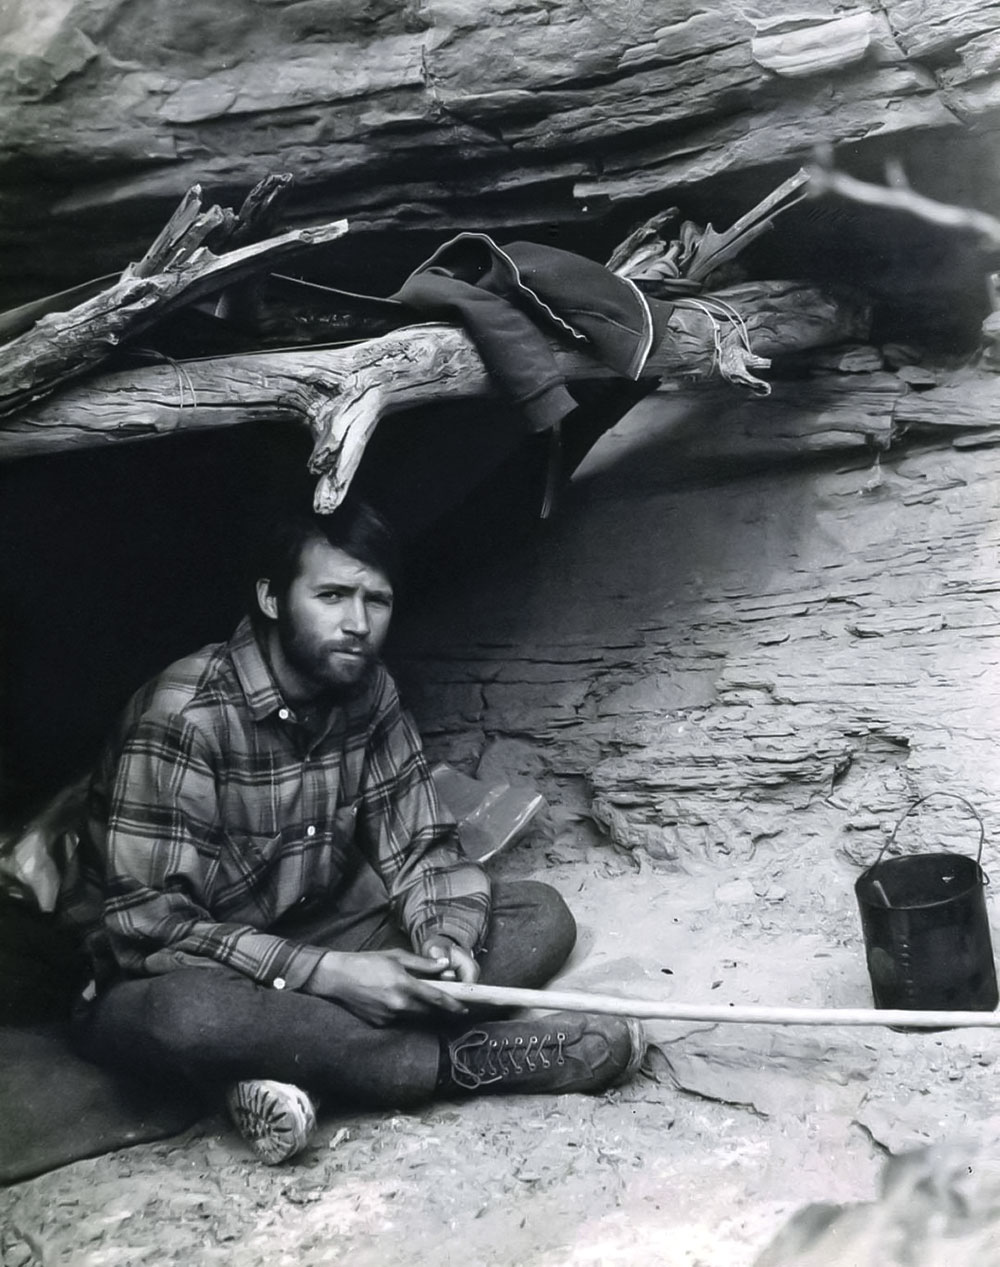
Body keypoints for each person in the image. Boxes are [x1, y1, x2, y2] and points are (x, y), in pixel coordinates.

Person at [66, 497, 644, 1164]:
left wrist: (443, 937)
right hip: (165, 973)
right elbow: (150, 931)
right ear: (273, 598)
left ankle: (290, 1065)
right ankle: (459, 1064)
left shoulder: (369, 691)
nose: (358, 623)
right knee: (191, 1018)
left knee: (540, 915)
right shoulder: (186, 717)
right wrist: (335, 975)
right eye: (333, 594)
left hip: (311, 935)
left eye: (377, 599)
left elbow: (424, 849)